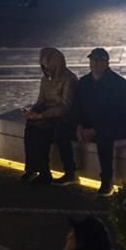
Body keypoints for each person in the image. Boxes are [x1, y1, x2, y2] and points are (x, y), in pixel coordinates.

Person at [75, 48, 126, 197]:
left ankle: (106, 181)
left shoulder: (118, 84)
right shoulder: (84, 82)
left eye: (98, 61)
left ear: (106, 63)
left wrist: (95, 130)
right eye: (92, 60)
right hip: (89, 125)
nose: (94, 64)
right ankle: (69, 171)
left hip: (116, 126)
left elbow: (116, 114)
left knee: (104, 139)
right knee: (60, 128)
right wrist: (79, 127)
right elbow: (78, 107)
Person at [21, 48, 79, 186]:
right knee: (30, 128)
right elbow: (41, 101)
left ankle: (50, 173)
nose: (45, 70)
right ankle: (32, 169)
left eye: (47, 67)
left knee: (43, 132)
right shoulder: (45, 79)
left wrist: (41, 115)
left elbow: (65, 107)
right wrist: (31, 112)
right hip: (48, 115)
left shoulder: (69, 79)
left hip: (63, 117)